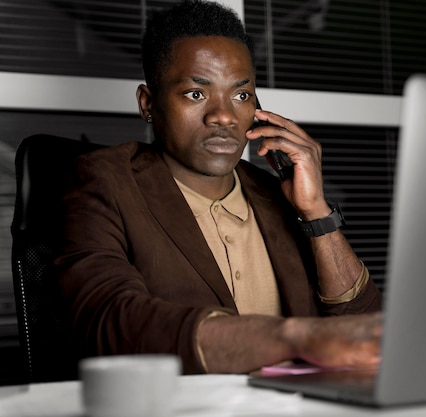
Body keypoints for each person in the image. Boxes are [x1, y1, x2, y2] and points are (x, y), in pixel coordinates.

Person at [55, 0, 382, 375]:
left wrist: (316, 214)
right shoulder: (105, 181)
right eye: (196, 93)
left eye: (241, 95)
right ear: (148, 103)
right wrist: (295, 337)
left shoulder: (275, 192)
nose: (224, 116)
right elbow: (111, 321)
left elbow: (366, 329)